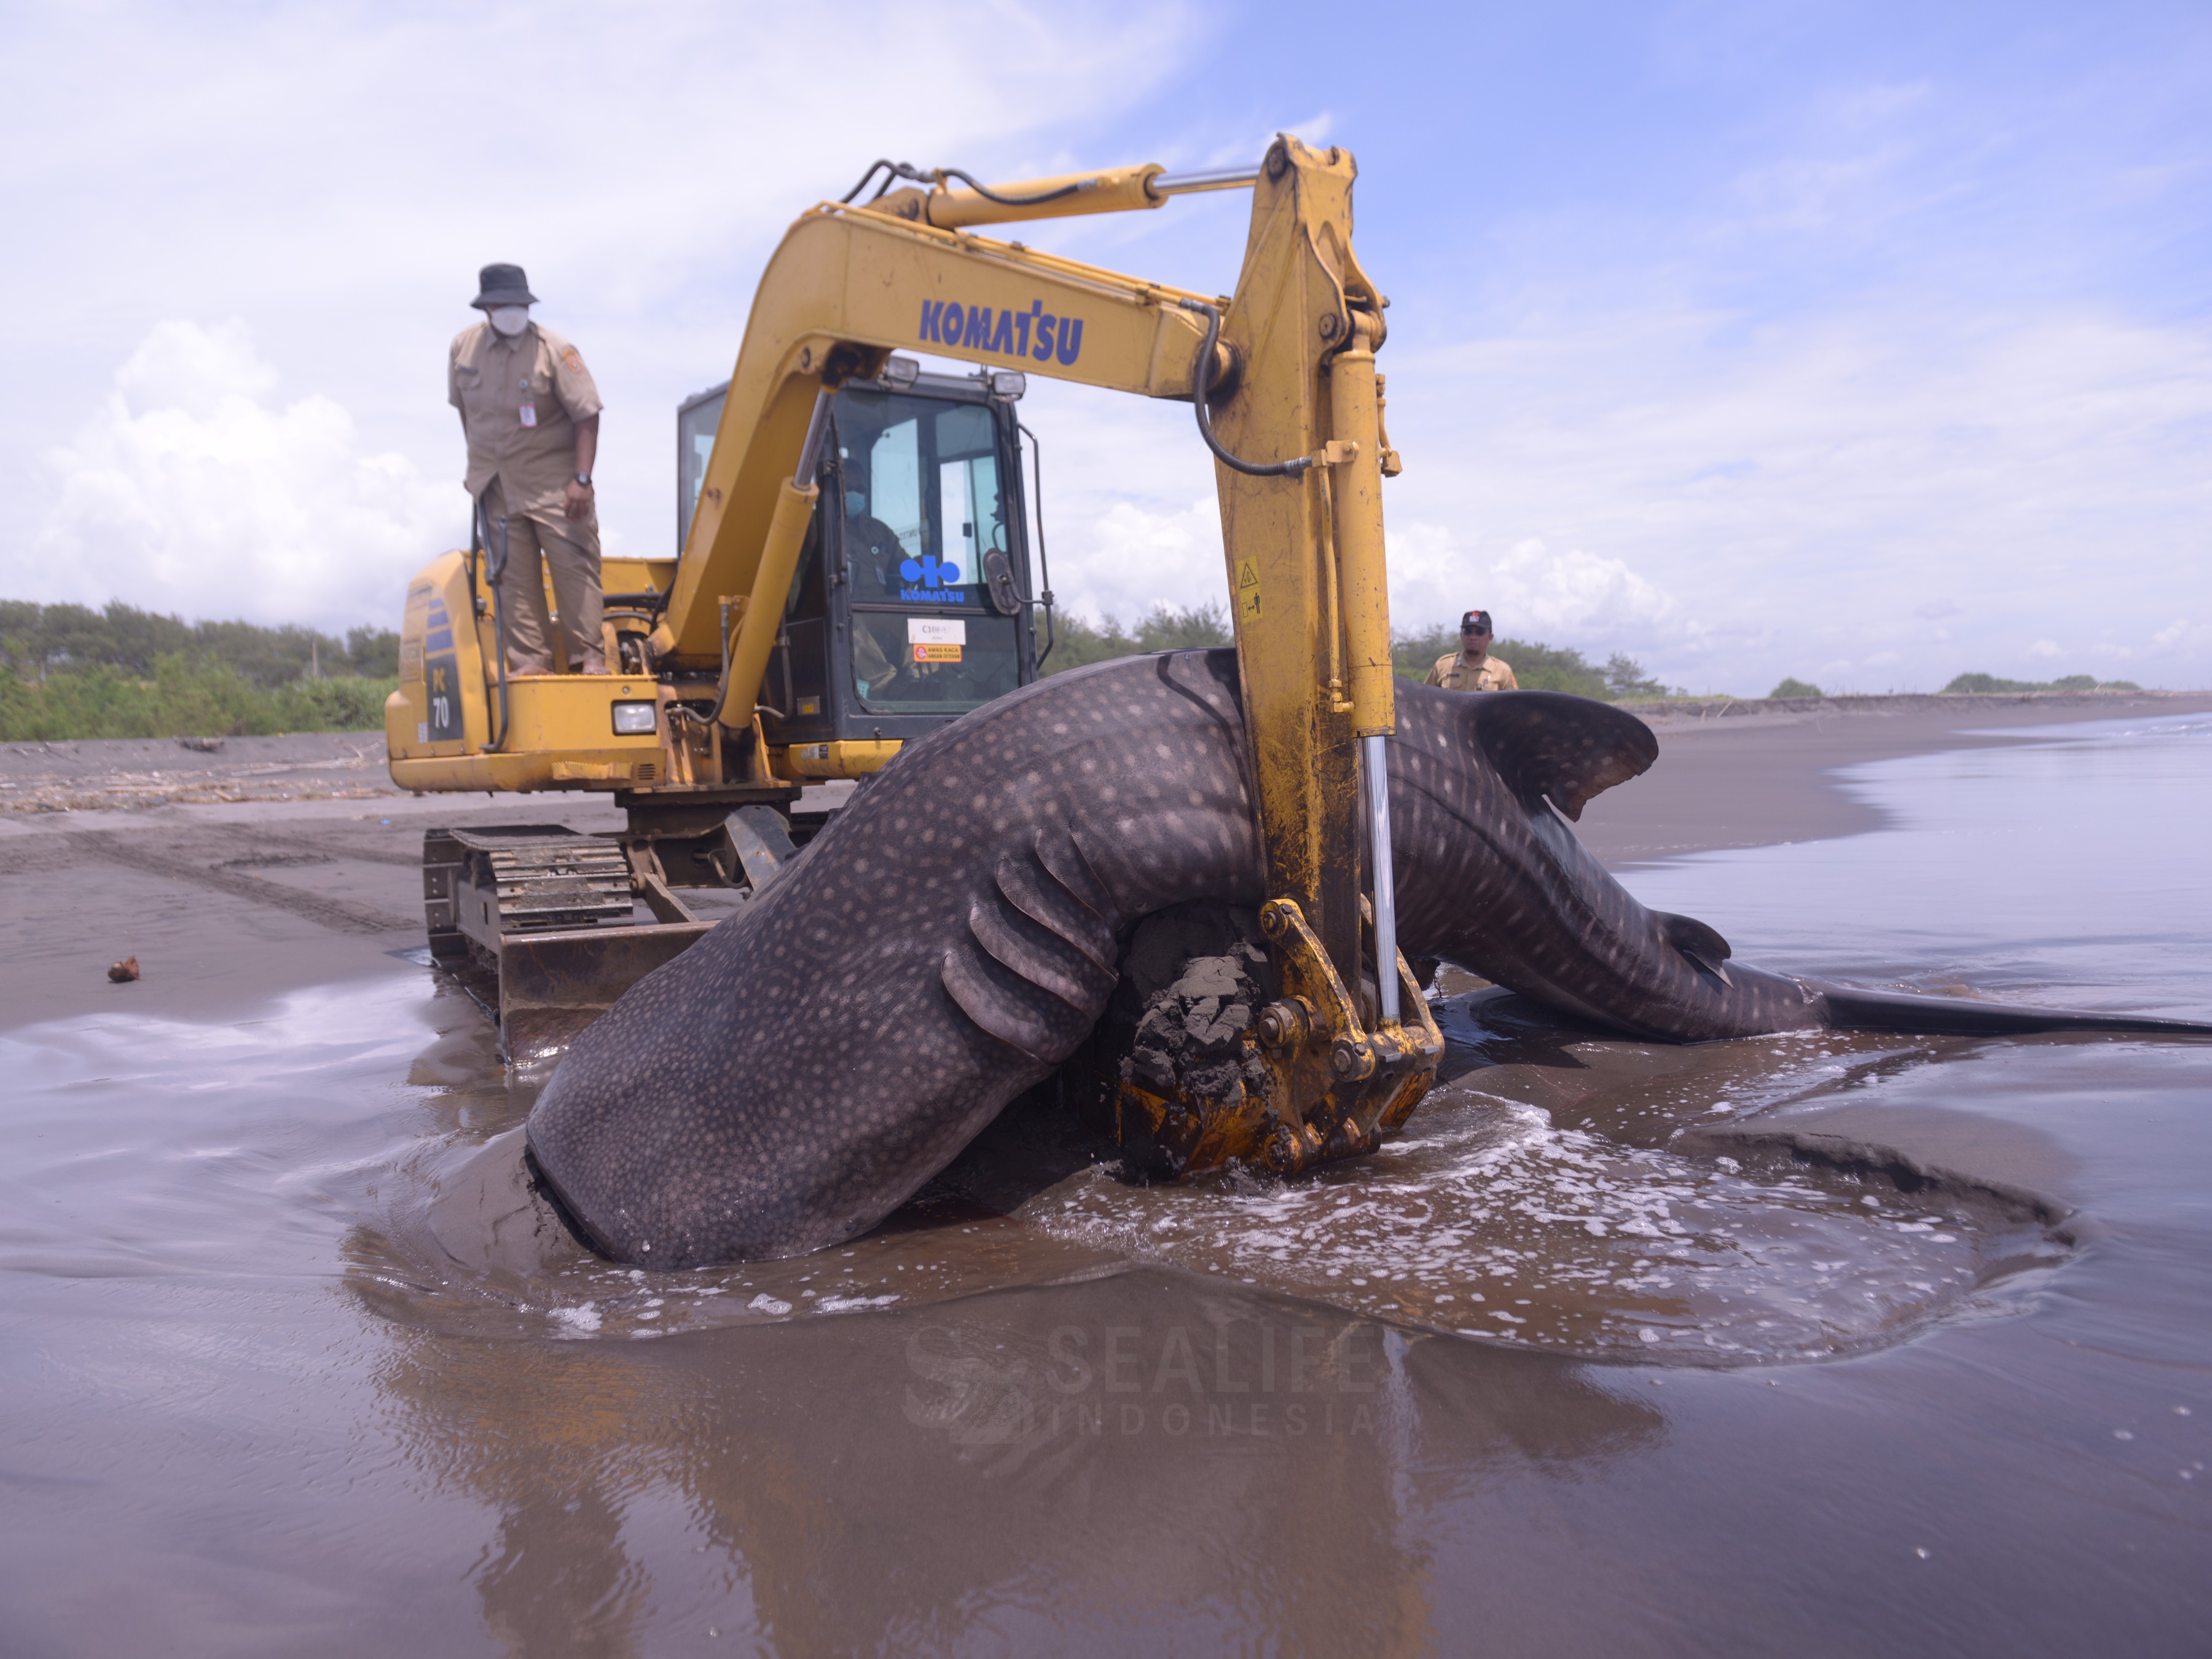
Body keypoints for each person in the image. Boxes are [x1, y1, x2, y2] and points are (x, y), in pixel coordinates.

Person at [449, 263, 607, 675]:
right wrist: (481, 468)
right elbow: (466, 414)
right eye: (504, 305)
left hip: (556, 486)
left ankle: (589, 657)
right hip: (496, 487)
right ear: (488, 307)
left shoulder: (556, 351)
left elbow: (587, 416)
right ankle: (532, 662)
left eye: (520, 304)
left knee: (575, 570)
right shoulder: (463, 349)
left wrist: (582, 480)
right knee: (511, 579)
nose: (512, 312)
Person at [1426, 609, 1518, 691]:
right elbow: (1425, 699)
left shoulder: (1502, 671)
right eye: (1468, 631)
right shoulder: (1443, 666)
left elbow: (1515, 707)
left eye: (1479, 632)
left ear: (1490, 637)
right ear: (1461, 635)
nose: (1473, 637)